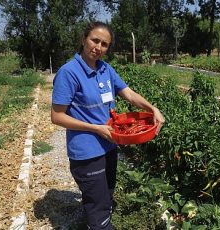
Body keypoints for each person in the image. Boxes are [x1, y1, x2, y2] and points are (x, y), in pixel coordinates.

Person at [51, 21, 165, 230]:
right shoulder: (69, 72)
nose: (98, 47)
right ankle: (99, 224)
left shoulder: (105, 69)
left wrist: (152, 109)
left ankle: (95, 220)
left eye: (104, 44)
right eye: (95, 40)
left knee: (106, 192)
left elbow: (128, 93)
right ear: (83, 39)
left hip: (109, 144)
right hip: (86, 151)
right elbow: (57, 116)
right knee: (99, 206)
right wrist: (96, 128)